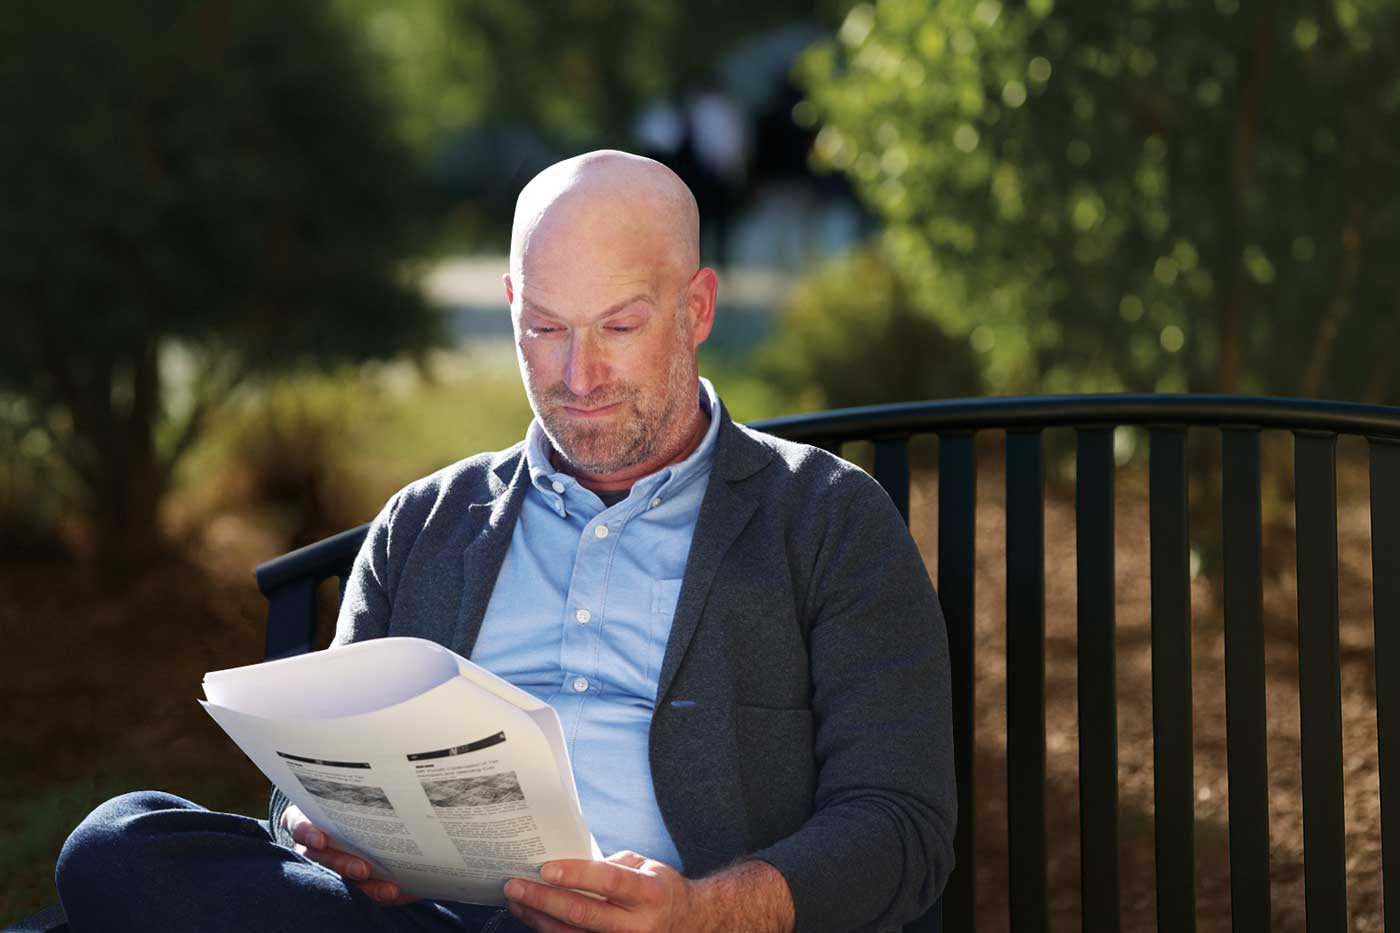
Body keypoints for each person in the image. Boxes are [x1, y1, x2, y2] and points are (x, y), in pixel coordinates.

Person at [52, 151, 954, 933]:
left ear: (699, 307)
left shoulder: (828, 520)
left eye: (621, 326)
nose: (579, 375)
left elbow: (900, 822)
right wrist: (324, 835)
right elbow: (308, 777)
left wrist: (704, 910)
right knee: (120, 842)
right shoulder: (425, 523)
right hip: (419, 919)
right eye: (545, 329)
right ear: (512, 304)